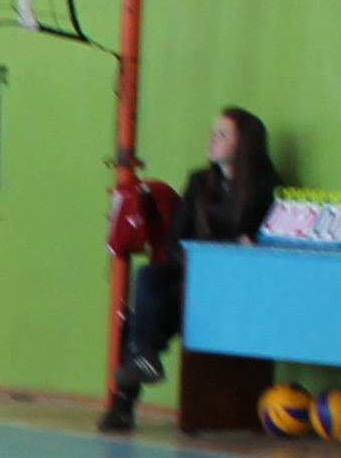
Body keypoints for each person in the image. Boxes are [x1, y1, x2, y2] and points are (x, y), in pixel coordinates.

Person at [102, 106, 277, 431]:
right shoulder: (200, 181)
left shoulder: (266, 187)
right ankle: (144, 358)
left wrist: (219, 258)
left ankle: (127, 395)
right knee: (149, 278)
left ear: (244, 144)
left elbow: (258, 243)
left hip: (233, 281)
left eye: (222, 134)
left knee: (149, 314)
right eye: (213, 132)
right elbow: (175, 240)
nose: (211, 140)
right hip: (192, 269)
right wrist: (200, 262)